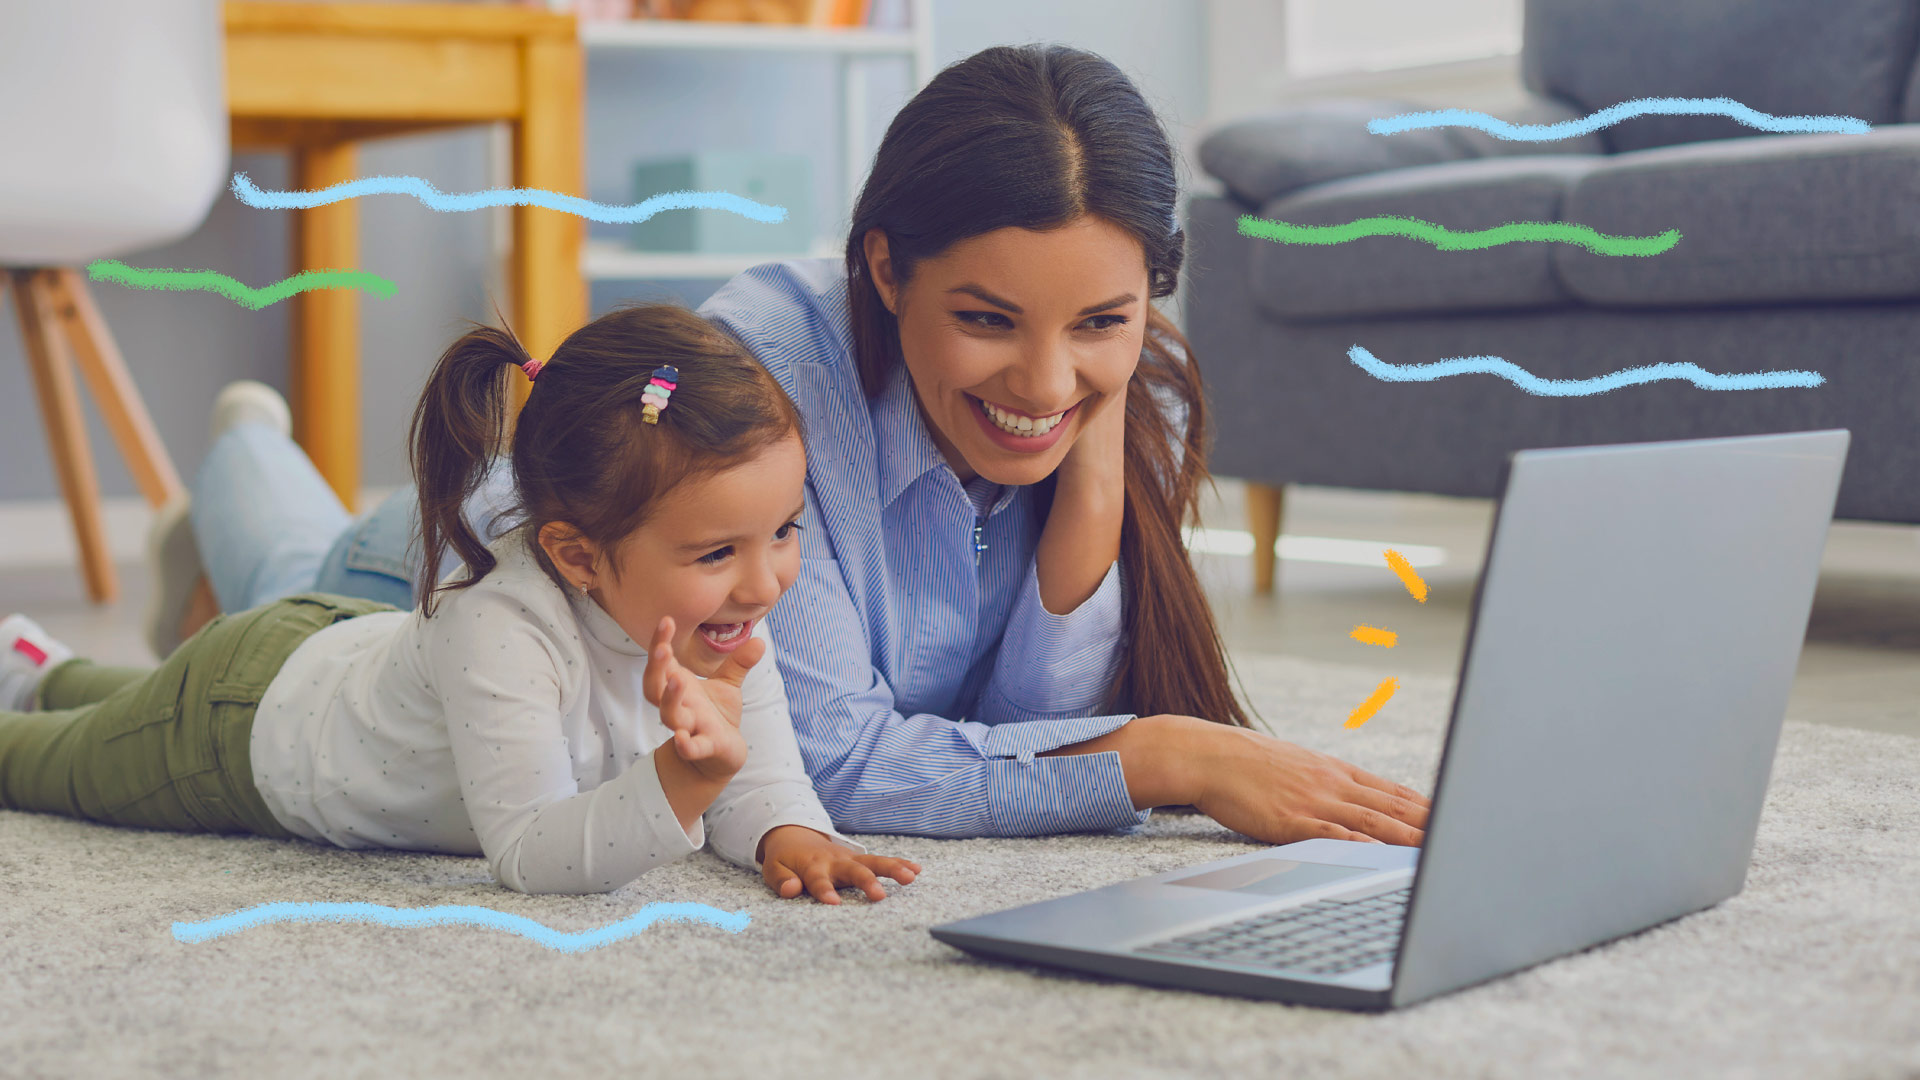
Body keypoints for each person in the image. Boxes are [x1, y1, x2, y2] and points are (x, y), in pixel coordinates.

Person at [148, 44, 1431, 849]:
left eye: (1104, 319)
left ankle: (241, 474)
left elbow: (1022, 723)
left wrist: (1094, 451)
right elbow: (839, 759)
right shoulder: (775, 380)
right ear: (884, 264)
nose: (1045, 377)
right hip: (472, 575)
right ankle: (237, 455)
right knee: (282, 591)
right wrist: (1160, 758)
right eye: (986, 321)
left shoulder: (1110, 381)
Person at [1, 304, 919, 901]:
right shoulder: (502, 623)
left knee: (99, 697)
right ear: (575, 553)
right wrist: (681, 781)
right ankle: (38, 693)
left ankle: (43, 666)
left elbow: (751, 772)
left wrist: (791, 832)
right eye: (720, 551)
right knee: (47, 764)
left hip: (327, 645)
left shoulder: (725, 614)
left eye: (786, 531)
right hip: (238, 732)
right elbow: (527, 852)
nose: (766, 583)